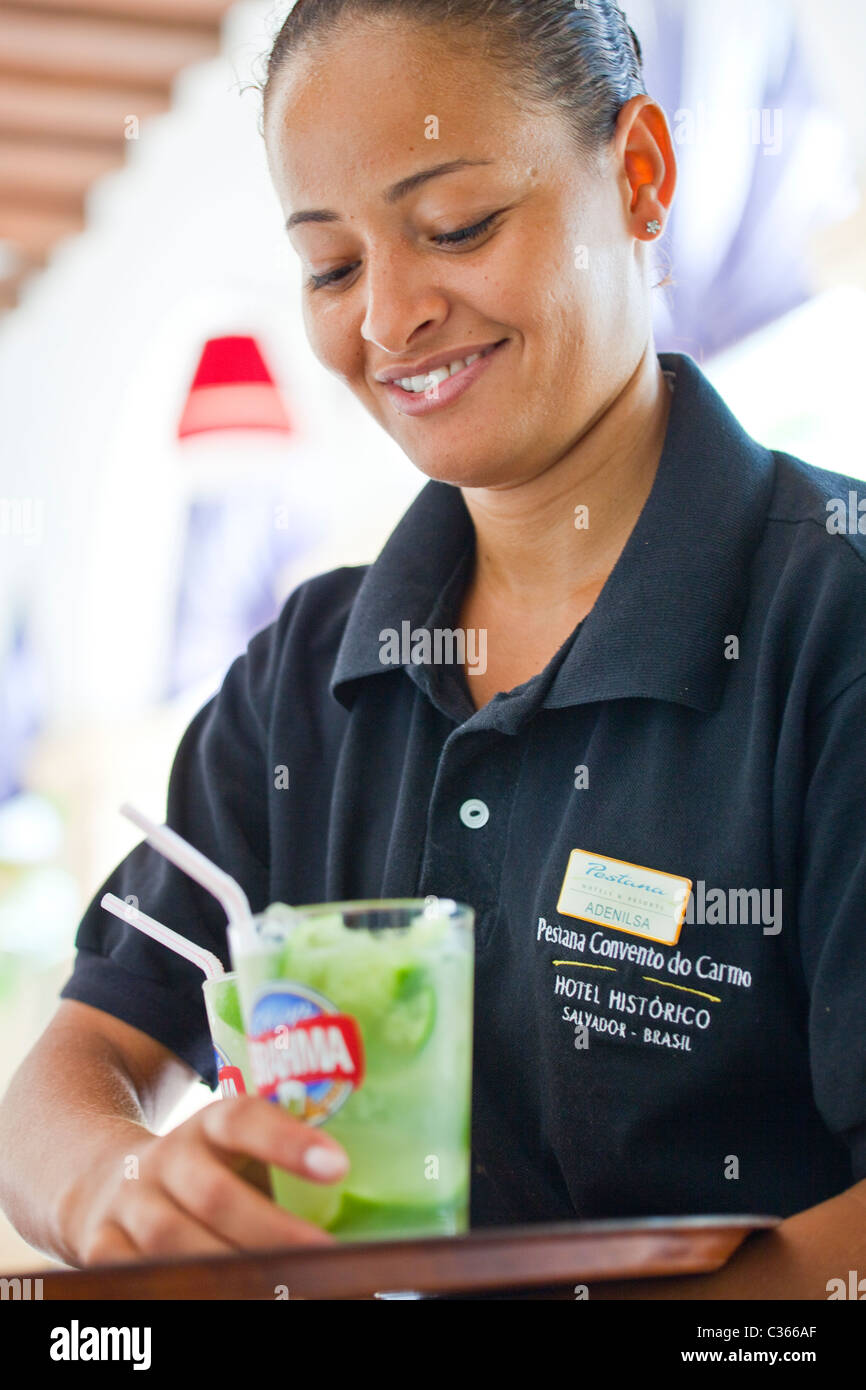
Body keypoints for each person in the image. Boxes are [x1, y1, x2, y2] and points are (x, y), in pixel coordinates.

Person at [1, 0, 865, 1298]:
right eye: (332, 266)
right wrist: (120, 1185)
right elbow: (77, 1067)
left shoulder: (827, 621)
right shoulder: (308, 673)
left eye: (455, 226)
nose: (393, 314)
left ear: (637, 173)